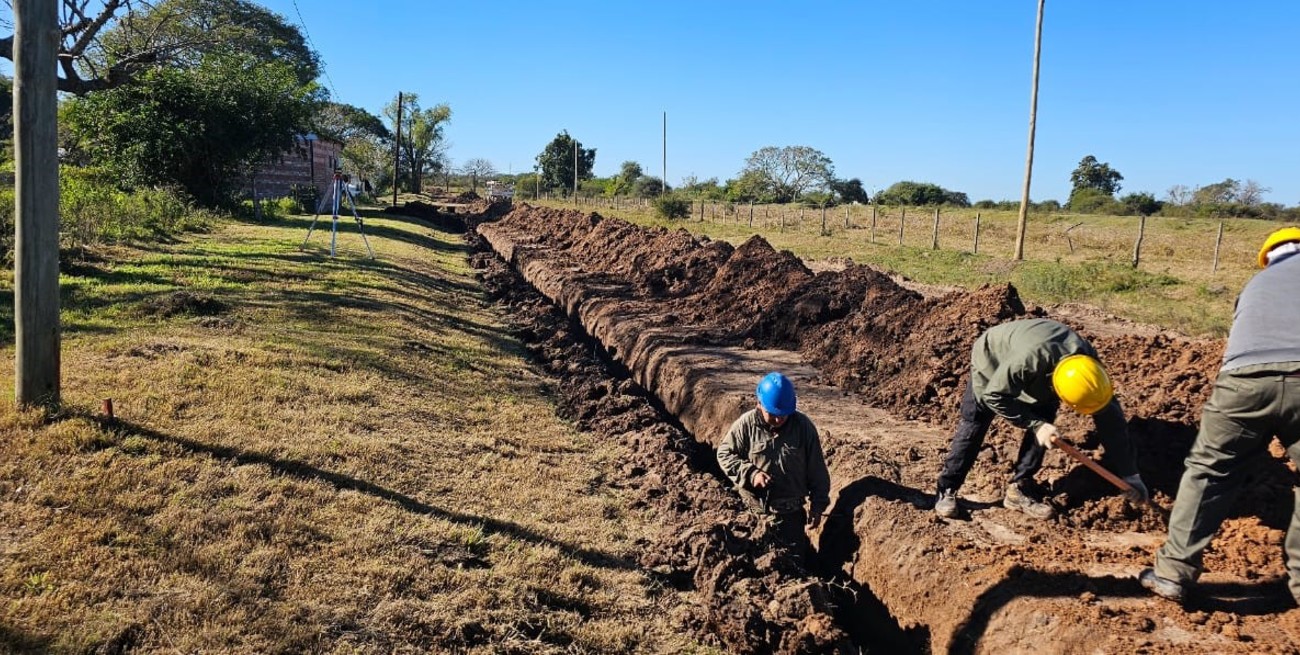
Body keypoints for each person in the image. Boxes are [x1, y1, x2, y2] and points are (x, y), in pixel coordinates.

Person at [1140, 227, 1300, 604]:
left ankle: (1172, 573)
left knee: (1208, 471)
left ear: (1268, 256)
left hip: (1242, 381)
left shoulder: (1255, 285)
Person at [934, 318, 1147, 520]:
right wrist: (1035, 424)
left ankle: (1019, 489)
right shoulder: (1028, 359)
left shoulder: (1089, 371)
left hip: (1042, 368)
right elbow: (993, 395)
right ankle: (947, 488)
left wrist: (1130, 475)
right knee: (976, 419)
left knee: (1046, 420)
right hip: (994, 357)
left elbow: (1112, 424)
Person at [717, 372, 831, 564]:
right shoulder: (746, 425)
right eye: (773, 415)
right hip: (754, 514)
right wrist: (751, 474)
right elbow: (724, 454)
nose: (779, 420)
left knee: (794, 567)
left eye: (783, 415)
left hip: (791, 516)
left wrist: (818, 506)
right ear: (759, 404)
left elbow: (817, 470)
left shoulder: (803, 427)